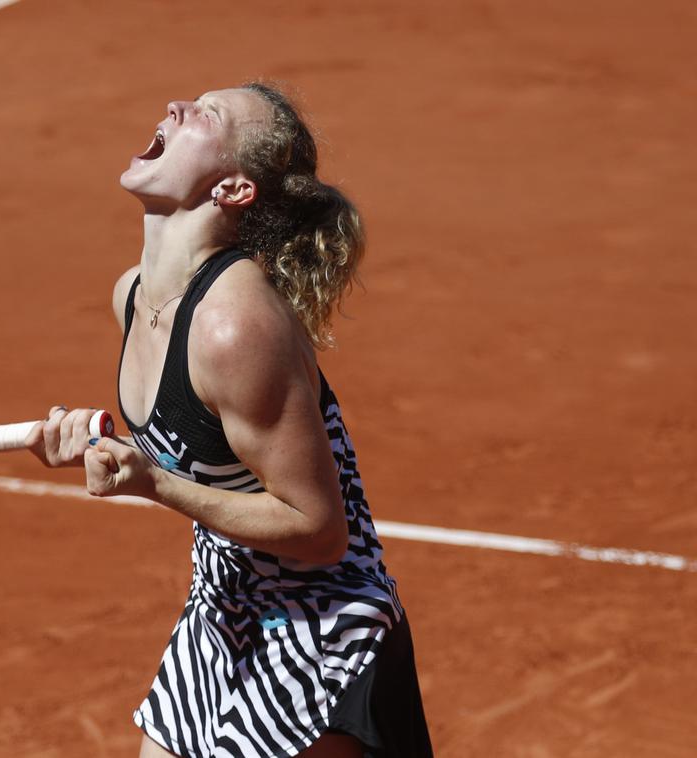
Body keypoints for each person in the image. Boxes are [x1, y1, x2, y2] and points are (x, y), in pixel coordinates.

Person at [27, 83, 432, 758]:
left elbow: (317, 529)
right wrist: (97, 445)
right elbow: (201, 447)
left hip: (319, 629)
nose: (178, 107)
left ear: (234, 189)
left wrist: (151, 481)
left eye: (207, 116)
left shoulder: (233, 327)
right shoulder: (133, 297)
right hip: (224, 609)